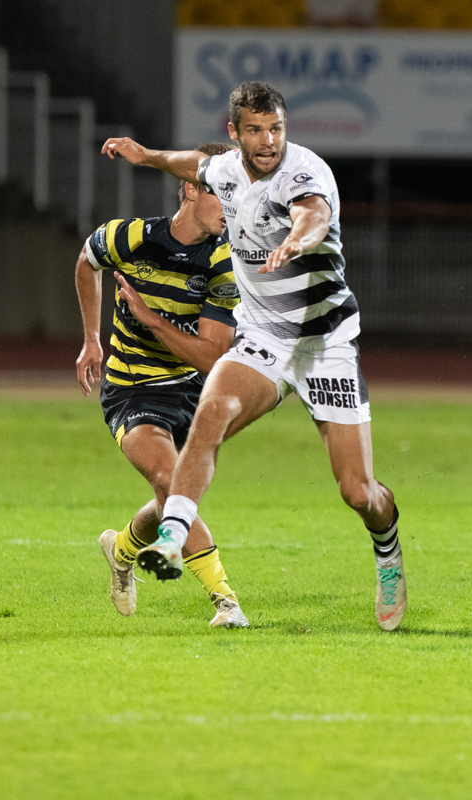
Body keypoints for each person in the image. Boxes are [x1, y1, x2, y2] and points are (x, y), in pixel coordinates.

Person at [99, 81, 407, 631]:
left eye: (276, 129)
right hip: (264, 336)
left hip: (323, 343)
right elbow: (190, 163)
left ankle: (387, 548)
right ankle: (172, 537)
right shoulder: (222, 172)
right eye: (256, 131)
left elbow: (311, 213)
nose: (268, 141)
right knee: (210, 415)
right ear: (234, 134)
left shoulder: (305, 173)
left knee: (357, 492)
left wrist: (297, 241)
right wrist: (146, 156)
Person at [76, 142, 249, 628]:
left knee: (171, 492)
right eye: (226, 195)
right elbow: (86, 263)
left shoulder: (222, 262)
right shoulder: (132, 238)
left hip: (192, 392)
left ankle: (122, 548)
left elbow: (212, 355)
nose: (234, 209)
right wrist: (92, 339)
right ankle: (226, 600)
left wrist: (151, 320)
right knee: (171, 482)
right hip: (131, 390)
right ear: (192, 189)